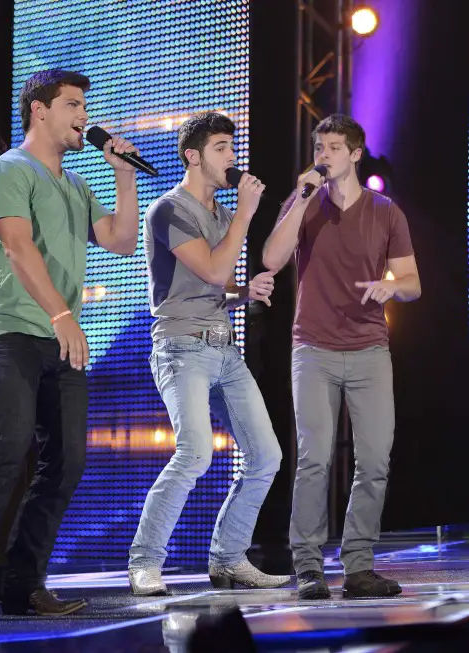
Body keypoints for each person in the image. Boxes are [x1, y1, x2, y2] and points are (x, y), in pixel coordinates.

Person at [0, 69, 141, 621]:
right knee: (7, 449)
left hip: (61, 339)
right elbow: (17, 246)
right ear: (39, 110)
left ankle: (23, 585)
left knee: (67, 462)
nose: (85, 117)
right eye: (74, 105)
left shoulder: (75, 185)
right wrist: (61, 314)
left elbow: (121, 241)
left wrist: (124, 177)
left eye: (85, 106)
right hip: (11, 330)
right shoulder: (8, 169)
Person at [128, 111, 289, 595]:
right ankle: (144, 562)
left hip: (224, 349)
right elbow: (214, 272)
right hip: (181, 348)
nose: (232, 158)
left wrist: (245, 291)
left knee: (266, 455)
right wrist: (245, 215)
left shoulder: (220, 214)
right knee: (195, 452)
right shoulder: (168, 210)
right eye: (221, 148)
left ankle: (228, 559)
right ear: (192, 156)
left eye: (231, 148)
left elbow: (217, 284)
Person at [263, 114, 421, 599]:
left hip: (370, 350)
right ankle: (308, 567)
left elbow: (413, 284)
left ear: (355, 154)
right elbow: (271, 259)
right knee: (314, 459)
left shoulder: (386, 212)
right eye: (319, 147)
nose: (324, 155)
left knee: (374, 460)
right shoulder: (304, 203)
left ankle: (358, 566)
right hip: (313, 349)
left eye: (334, 147)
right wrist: (300, 198)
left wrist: (391, 287)